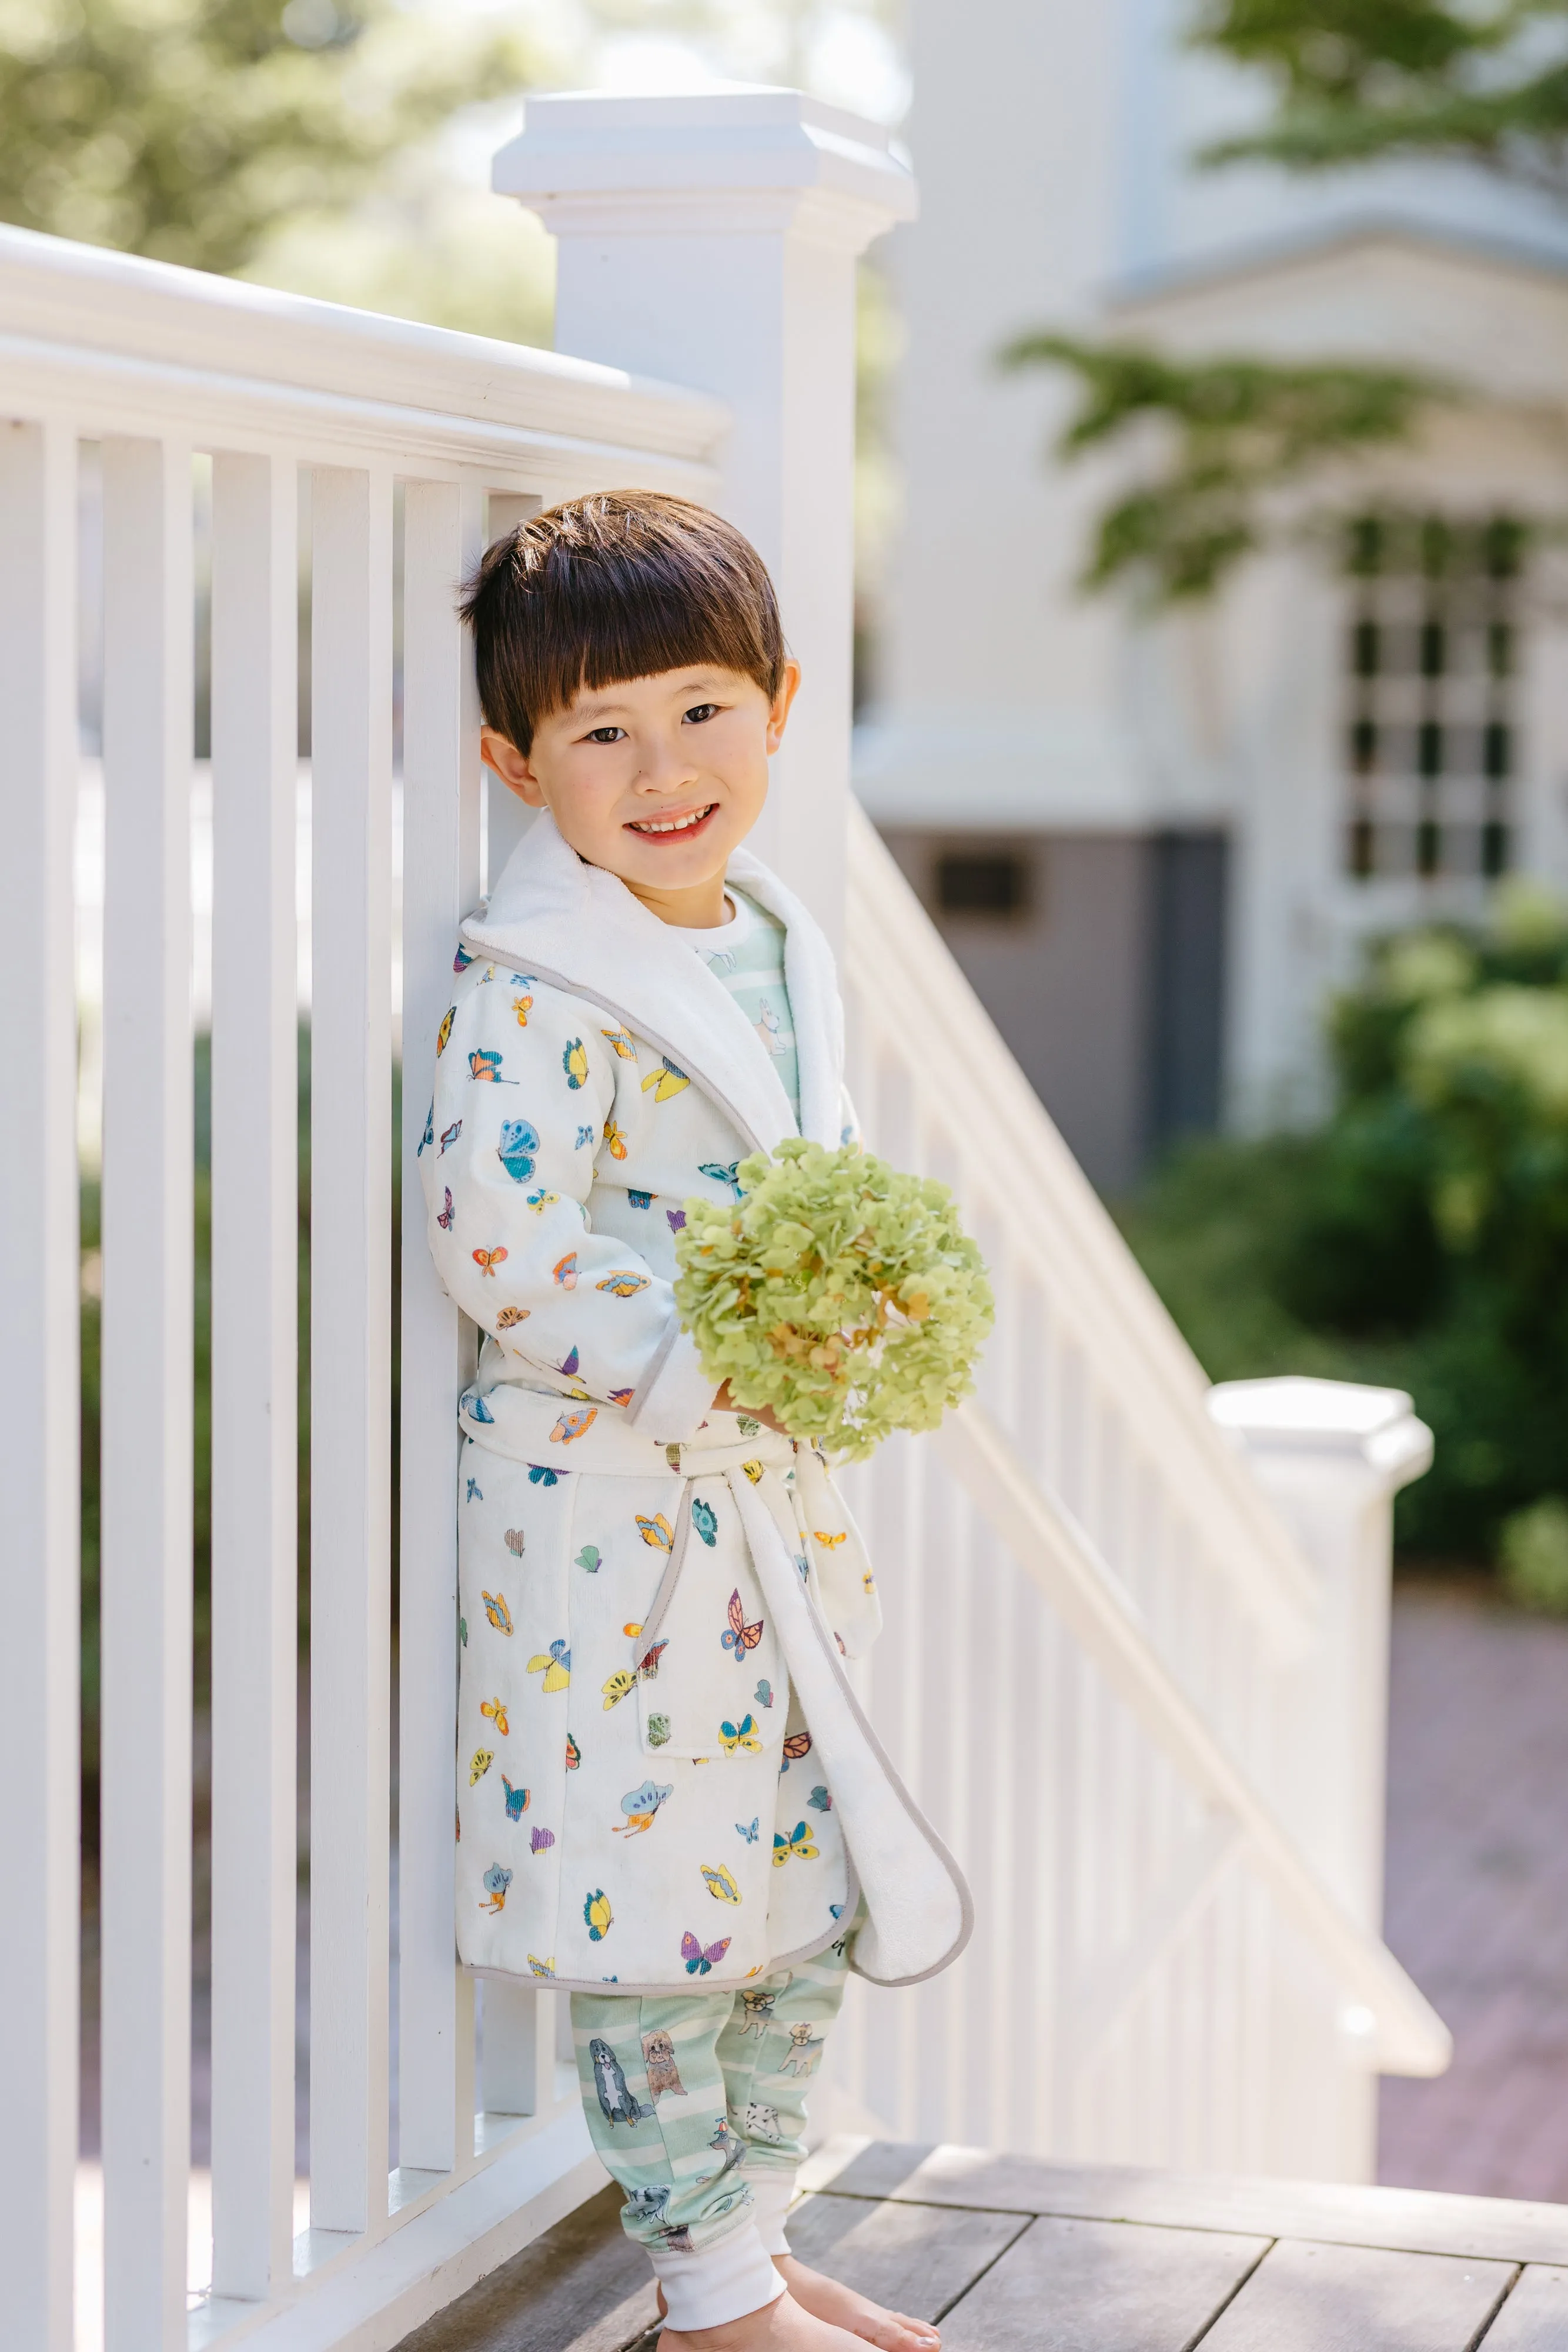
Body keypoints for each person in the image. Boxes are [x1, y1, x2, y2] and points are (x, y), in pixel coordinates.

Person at [420, 492, 971, 2352]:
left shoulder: (784, 935)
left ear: (785, 703)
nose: (664, 769)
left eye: (701, 710)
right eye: (600, 732)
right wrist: (693, 1360)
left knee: (795, 1882)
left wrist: (849, 1311)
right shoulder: (536, 992)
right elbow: (496, 1237)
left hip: (779, 1497)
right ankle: (709, 2297)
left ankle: (752, 2237)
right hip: (620, 1513)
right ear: (517, 762)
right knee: (661, 1909)